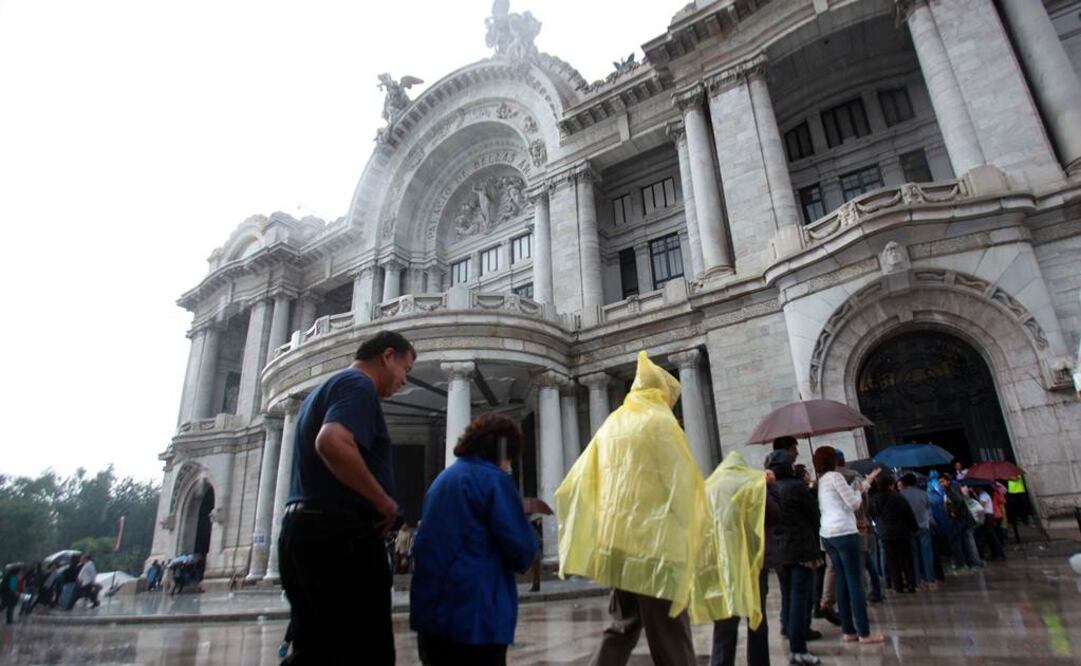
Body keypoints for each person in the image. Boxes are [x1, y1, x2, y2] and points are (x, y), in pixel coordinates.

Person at [556, 351, 714, 666]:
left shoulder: (613, 423)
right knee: (670, 629)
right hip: (657, 547)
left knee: (622, 625)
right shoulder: (660, 422)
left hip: (619, 547)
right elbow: (680, 484)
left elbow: (578, 480)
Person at [278, 330, 415, 665]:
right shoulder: (357, 385)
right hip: (338, 535)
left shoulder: (322, 391)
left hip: (304, 531)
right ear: (387, 356)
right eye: (406, 369)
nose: (404, 381)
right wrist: (382, 500)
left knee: (317, 649)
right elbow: (332, 442)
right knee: (366, 650)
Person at [410, 413, 539, 665]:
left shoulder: (442, 480)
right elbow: (521, 550)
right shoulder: (493, 480)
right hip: (476, 614)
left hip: (432, 614)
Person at [706, 451, 777, 666]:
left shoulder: (708, 487)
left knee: (725, 623)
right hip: (752, 563)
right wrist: (769, 487)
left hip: (723, 564)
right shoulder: (753, 484)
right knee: (756, 618)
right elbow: (775, 514)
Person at [813, 447, 884, 644]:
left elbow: (845, 500)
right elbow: (853, 504)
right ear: (833, 460)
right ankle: (864, 632)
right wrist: (860, 491)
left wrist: (867, 482)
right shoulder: (835, 477)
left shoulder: (821, 481)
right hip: (845, 533)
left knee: (842, 582)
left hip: (828, 535)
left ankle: (848, 630)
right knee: (855, 582)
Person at [767, 450, 821, 665]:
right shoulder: (797, 487)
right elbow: (813, 514)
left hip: (780, 551)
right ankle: (798, 647)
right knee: (800, 597)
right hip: (800, 549)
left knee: (788, 595)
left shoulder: (770, 489)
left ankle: (788, 629)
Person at [869, 474, 918, 594]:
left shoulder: (874, 499)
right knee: (906, 560)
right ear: (891, 485)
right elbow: (908, 513)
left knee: (892, 561)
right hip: (902, 532)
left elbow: (873, 514)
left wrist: (880, 525)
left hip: (885, 533)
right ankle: (911, 584)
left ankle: (898, 585)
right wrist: (914, 528)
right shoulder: (898, 497)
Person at [898, 473, 936, 587]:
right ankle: (930, 577)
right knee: (927, 553)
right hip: (924, 526)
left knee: (913, 554)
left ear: (903, 483)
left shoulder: (901, 495)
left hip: (909, 528)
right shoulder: (923, 493)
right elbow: (929, 509)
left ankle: (918, 579)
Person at [941, 474, 982, 569]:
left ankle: (974, 562)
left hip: (962, 519)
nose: (941, 484)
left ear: (948, 481)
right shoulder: (953, 488)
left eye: (943, 481)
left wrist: (953, 511)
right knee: (967, 540)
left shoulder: (951, 490)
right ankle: (972, 561)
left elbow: (959, 500)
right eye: (940, 482)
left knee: (967, 540)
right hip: (964, 519)